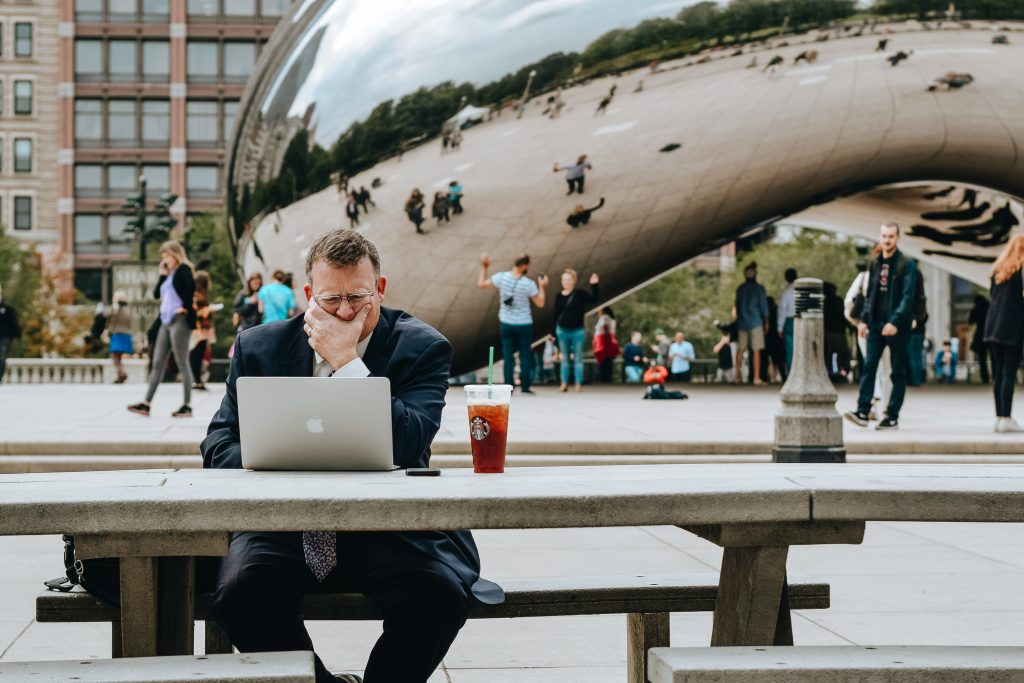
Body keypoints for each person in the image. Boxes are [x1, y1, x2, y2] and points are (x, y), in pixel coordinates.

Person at [202, 229, 503, 683]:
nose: (344, 311)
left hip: (387, 524)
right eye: (330, 300)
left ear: (380, 288)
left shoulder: (421, 347)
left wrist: (346, 362)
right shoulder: (259, 346)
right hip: (283, 524)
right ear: (308, 295)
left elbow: (411, 442)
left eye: (358, 298)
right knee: (239, 592)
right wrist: (274, 456)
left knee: (438, 593)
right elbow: (218, 443)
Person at [845, 222, 918, 431]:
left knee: (896, 372)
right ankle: (862, 410)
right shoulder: (875, 262)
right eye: (884, 236)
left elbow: (907, 297)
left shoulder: (906, 265)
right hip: (876, 324)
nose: (887, 240)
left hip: (897, 326)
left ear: (897, 238)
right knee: (869, 367)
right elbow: (871, 295)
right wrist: (864, 321)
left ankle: (892, 415)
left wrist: (895, 322)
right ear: (880, 237)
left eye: (891, 236)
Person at [128, 241, 196, 418]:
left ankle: (187, 405)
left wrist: (186, 307)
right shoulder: (170, 273)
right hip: (165, 321)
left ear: (175, 255)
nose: (164, 259)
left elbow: (190, 287)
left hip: (180, 319)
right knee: (157, 363)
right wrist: (162, 275)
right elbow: (157, 294)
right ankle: (146, 403)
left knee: (182, 361)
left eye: (166, 255)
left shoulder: (184, 269)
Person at [477, 254, 548, 394]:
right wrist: (542, 286)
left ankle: (508, 387)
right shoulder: (528, 283)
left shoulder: (502, 277)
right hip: (524, 324)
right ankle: (525, 387)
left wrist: (484, 267)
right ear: (523, 265)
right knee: (525, 355)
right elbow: (540, 303)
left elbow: (481, 284)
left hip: (506, 323)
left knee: (508, 355)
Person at [984, 234, 1024, 432]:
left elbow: (992, 295)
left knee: (999, 374)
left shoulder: (998, 270)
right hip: (1011, 327)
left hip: (992, 326)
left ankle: (999, 417)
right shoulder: (1021, 270)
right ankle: (1006, 417)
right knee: (1009, 373)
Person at [846, 260, 891, 417]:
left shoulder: (864, 277)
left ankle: (873, 404)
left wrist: (858, 323)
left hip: (868, 328)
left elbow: (848, 302)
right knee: (886, 370)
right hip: (887, 327)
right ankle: (885, 407)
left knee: (871, 366)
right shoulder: (894, 274)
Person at [552, 268, 599, 392]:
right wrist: (553, 333)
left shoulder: (580, 294)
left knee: (578, 358)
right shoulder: (559, 296)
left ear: (573, 281)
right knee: (565, 358)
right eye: (564, 280)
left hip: (577, 331)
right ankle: (564, 384)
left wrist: (594, 285)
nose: (566, 282)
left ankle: (578, 383)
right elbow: (555, 315)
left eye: (568, 279)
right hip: (562, 330)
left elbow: (595, 299)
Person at [734, 262, 769, 385]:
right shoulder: (759, 289)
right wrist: (766, 321)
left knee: (740, 350)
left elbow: (737, 306)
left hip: (742, 322)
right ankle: (756, 377)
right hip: (756, 322)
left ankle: (737, 376)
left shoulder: (740, 289)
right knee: (756, 351)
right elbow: (764, 307)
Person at [190, 272, 217, 392]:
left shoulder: (200, 294)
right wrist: (207, 310)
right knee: (197, 354)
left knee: (198, 354)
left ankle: (197, 380)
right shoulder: (197, 294)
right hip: (199, 328)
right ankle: (197, 380)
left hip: (202, 328)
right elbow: (195, 311)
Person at [105, 290, 133, 384]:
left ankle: (121, 373)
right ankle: (120, 375)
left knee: (113, 355)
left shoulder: (116, 308)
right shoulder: (128, 309)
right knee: (119, 356)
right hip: (126, 334)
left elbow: (106, 315)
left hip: (117, 334)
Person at [0, 284, 22, 384]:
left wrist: (17, 336)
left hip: (4, 338)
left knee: (1, 358)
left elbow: (14, 324)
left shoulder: (8, 310)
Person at [778, 268, 797, 377]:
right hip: (801, 320)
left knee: (790, 349)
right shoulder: (800, 290)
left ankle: (792, 373)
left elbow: (782, 311)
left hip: (789, 321)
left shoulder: (786, 292)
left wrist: (779, 328)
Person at [592, 306, 619, 383]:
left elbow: (605, 327)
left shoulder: (605, 317)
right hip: (606, 341)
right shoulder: (611, 319)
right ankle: (606, 378)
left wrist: (606, 342)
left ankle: (603, 378)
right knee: (607, 361)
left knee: (604, 361)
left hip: (604, 342)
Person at [968, 294, 990, 383]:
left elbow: (970, 321)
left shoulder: (976, 309)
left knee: (982, 358)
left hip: (980, 334)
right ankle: (996, 375)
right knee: (994, 357)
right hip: (990, 333)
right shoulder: (989, 308)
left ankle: (985, 377)